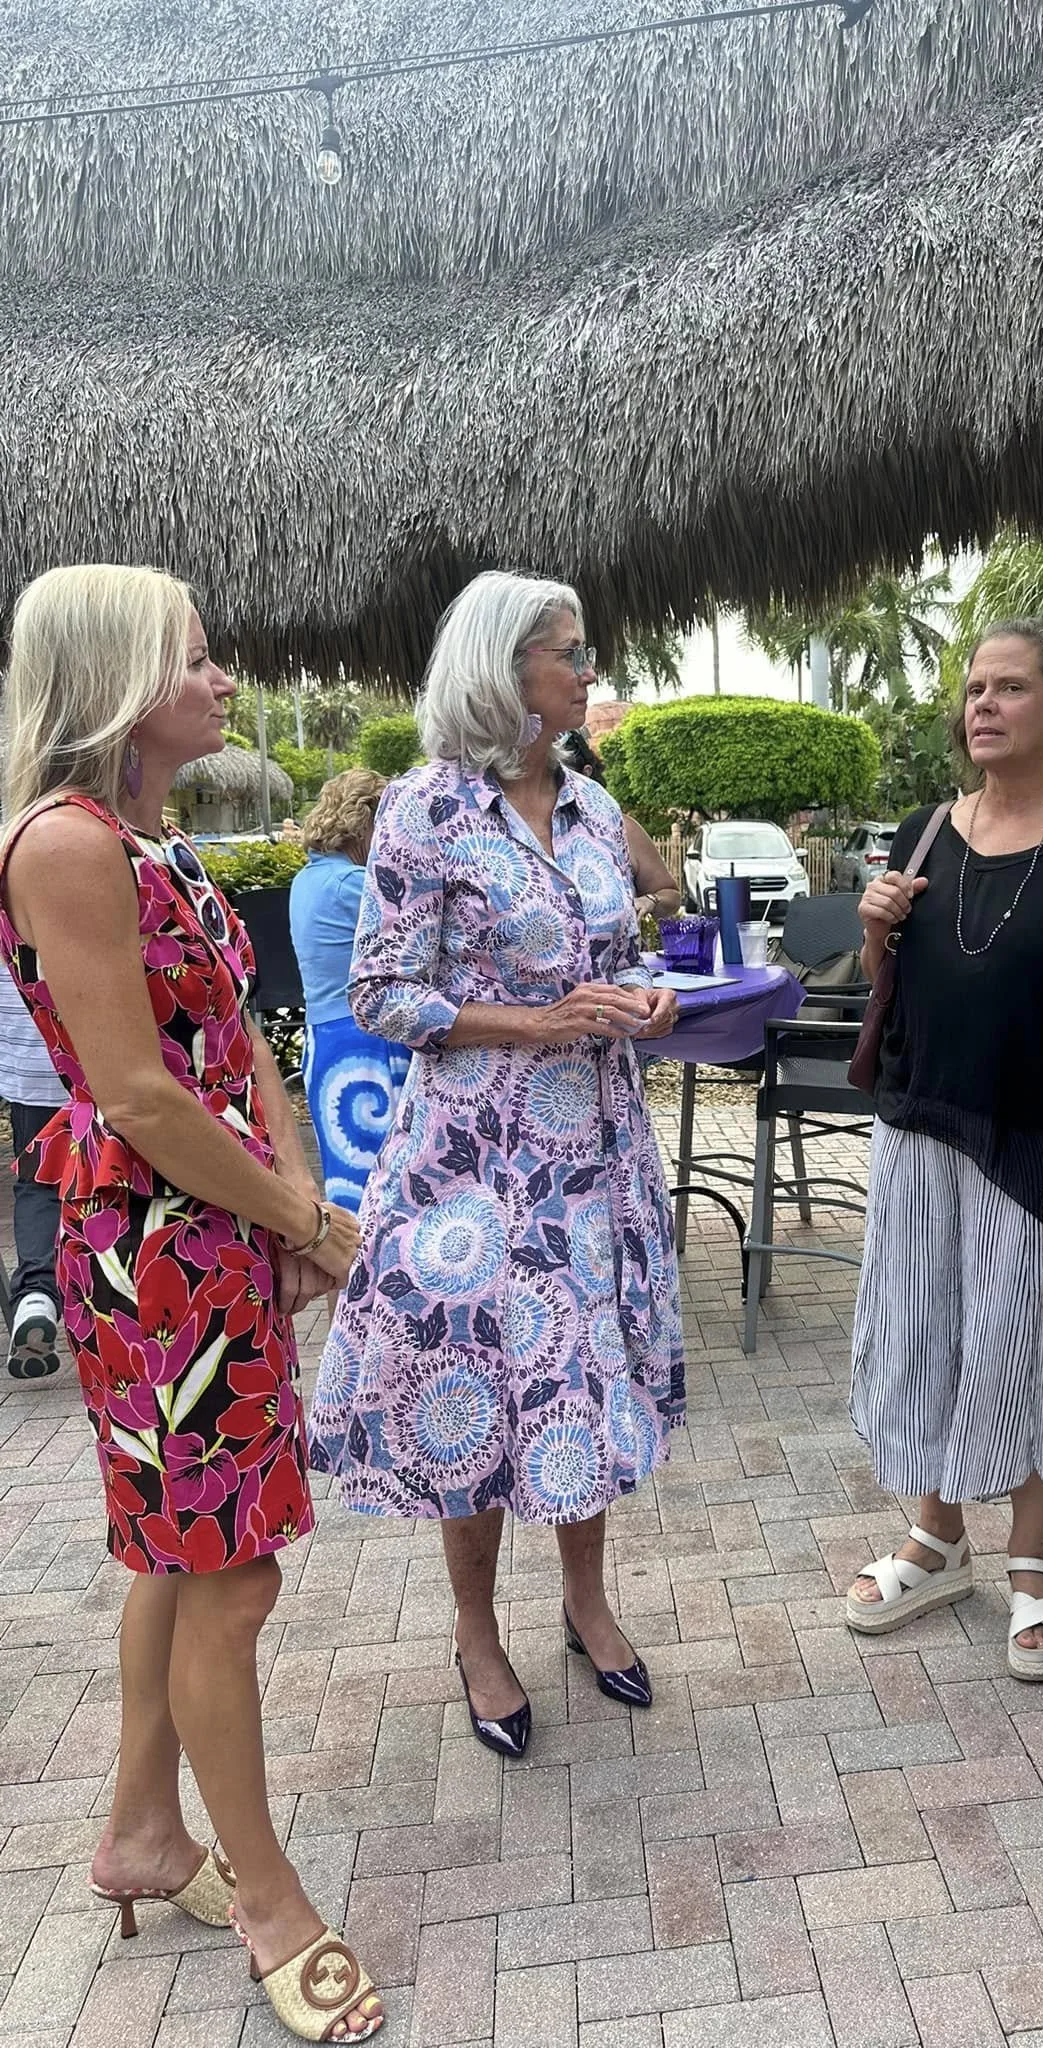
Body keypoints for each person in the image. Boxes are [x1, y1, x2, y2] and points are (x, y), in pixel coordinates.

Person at [0, 566, 381, 2042]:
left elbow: (243, 1048)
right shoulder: (65, 845)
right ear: (117, 678)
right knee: (233, 1576)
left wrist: (296, 1203)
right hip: (154, 1251)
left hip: (212, 1232)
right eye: (201, 661)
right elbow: (141, 1093)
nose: (226, 681)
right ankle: (272, 1893)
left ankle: (142, 1833)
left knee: (181, 1551)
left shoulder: (155, 834)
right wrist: (305, 1222)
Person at [308, 572, 685, 1758]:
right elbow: (379, 989)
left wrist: (643, 1000)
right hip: (470, 1156)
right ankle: (475, 1630)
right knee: (470, 1378)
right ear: (502, 668)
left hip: (596, 1142)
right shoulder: (427, 807)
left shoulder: (585, 802)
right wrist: (531, 1022)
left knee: (586, 1371)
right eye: (570, 654)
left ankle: (585, 1602)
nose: (589, 673)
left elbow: (618, 946)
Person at [844, 620, 1043, 1681]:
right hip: (921, 1123)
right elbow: (884, 981)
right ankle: (935, 1539)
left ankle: (1029, 1559)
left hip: (1033, 1143)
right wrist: (879, 925)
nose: (982, 704)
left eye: (1010, 687)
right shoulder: (929, 830)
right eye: (974, 687)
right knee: (927, 1333)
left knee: (1023, 1349)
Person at [289, 769, 411, 1211]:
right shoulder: (352, 885)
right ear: (368, 823)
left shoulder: (309, 878)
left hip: (326, 1041)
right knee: (385, 1181)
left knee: (349, 1179)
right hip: (365, 1043)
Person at [0, 965, 67, 1375]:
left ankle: (37, 1293)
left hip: (29, 1065)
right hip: (100, 1055)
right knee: (121, 1177)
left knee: (38, 1184)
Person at [554, 728, 681, 921]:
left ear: (585, 773)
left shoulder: (619, 827)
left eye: (561, 773)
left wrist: (650, 900)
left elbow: (670, 894)